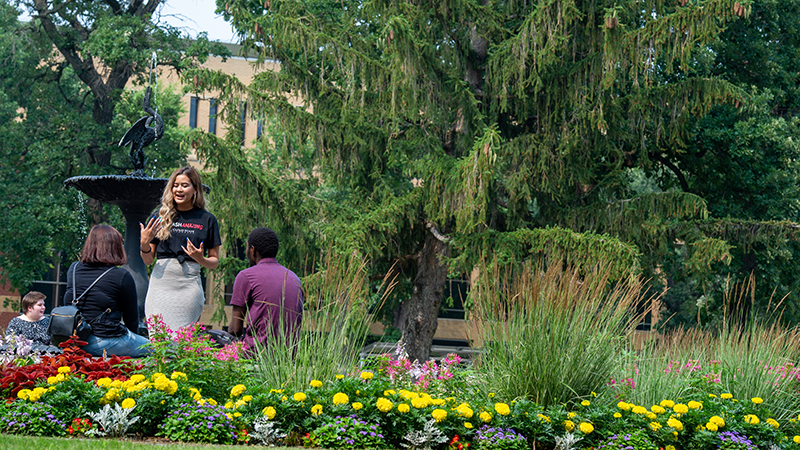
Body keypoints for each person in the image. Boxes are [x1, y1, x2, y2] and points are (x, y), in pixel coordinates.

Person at [140, 166, 221, 329]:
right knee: (158, 338)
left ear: (195, 190)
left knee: (182, 340)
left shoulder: (207, 219)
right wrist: (144, 243)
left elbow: (214, 262)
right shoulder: (159, 216)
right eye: (175, 185)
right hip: (161, 284)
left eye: (185, 185)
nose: (179, 189)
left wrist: (201, 259)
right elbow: (148, 260)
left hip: (188, 286)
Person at [63, 225, 150, 357]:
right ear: (115, 248)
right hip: (105, 341)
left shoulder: (73, 268)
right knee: (160, 349)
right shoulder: (121, 275)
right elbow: (131, 319)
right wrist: (133, 337)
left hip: (75, 341)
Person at [228, 227, 303, 352]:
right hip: (288, 356)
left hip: (256, 354)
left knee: (215, 339)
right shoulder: (293, 277)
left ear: (253, 250)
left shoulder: (246, 276)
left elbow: (235, 330)